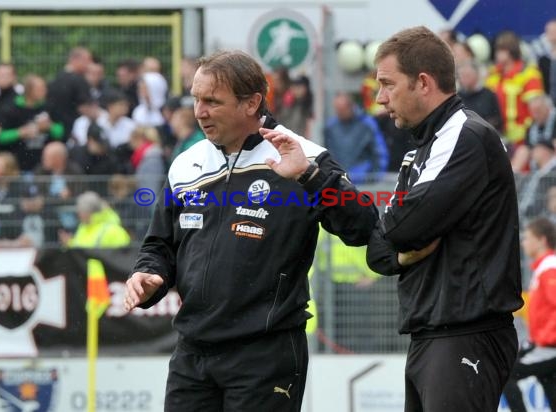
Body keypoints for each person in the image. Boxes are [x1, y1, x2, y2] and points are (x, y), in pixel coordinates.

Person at [123, 50, 379, 412]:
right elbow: (160, 244)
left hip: (266, 353)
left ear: (252, 103)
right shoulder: (186, 163)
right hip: (192, 353)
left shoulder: (304, 157)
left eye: (212, 101)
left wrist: (309, 176)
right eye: (196, 98)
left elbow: (364, 226)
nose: (199, 111)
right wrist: (149, 275)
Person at [365, 26, 523, 411]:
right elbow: (379, 252)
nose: (381, 97)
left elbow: (401, 227)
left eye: (387, 84)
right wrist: (400, 254)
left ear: (423, 82)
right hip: (433, 336)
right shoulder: (421, 149)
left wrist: (396, 238)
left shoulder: (465, 135)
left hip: (465, 334)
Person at [503, 217, 556, 412]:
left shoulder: (549, 268)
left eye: (527, 237)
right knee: (550, 387)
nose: (523, 242)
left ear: (541, 240)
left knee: (506, 375)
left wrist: (543, 340)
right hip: (544, 345)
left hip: (549, 347)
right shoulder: (545, 267)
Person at [324, 91, 389, 183]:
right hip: (340, 181)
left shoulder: (367, 124)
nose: (339, 113)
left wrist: (375, 179)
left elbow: (379, 153)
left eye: (342, 110)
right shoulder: (331, 127)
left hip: (364, 181)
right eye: (337, 110)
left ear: (351, 107)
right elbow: (328, 154)